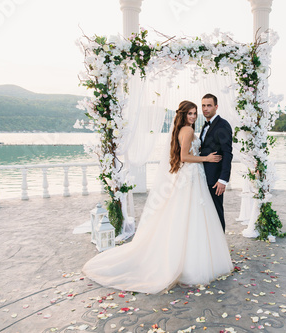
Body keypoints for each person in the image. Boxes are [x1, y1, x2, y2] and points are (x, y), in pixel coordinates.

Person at [82, 100, 233, 294]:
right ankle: (190, 261)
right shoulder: (186, 131)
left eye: (195, 113)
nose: (194, 116)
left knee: (187, 215)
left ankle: (185, 254)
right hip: (191, 176)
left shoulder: (186, 129)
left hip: (192, 177)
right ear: (183, 115)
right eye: (190, 113)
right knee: (191, 215)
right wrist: (206, 158)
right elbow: (184, 157)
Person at [199, 94, 233, 232]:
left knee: (217, 212)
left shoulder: (223, 125)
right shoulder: (206, 125)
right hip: (203, 176)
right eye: (203, 105)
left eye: (209, 105)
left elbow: (227, 153)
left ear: (216, 107)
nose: (205, 109)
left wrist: (223, 180)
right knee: (206, 213)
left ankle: (220, 248)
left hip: (215, 180)